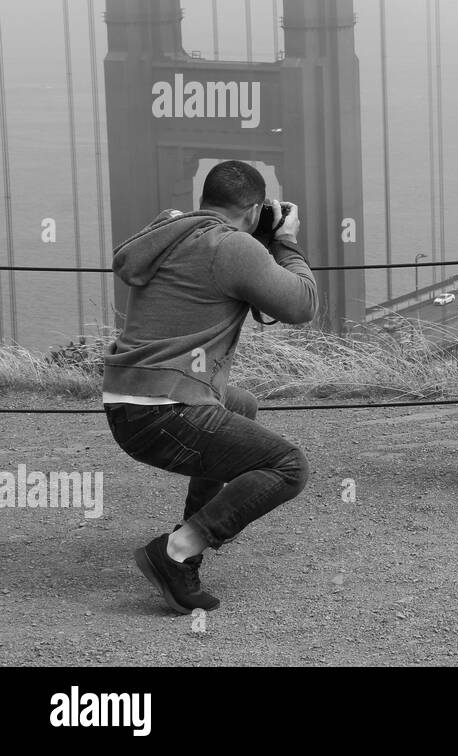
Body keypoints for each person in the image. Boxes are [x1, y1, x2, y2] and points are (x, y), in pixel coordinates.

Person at [102, 160, 316, 613]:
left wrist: (258, 244)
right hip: (164, 411)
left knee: (240, 405)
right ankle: (176, 552)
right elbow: (302, 305)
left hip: (127, 401)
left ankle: (191, 530)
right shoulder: (233, 247)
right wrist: (286, 241)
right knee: (289, 466)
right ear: (255, 210)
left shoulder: (171, 231)